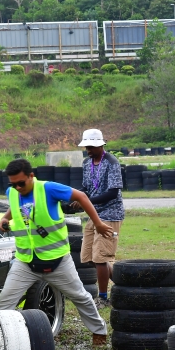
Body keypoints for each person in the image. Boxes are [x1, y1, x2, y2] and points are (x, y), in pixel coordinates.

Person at [0, 158, 113, 346]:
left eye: (21, 183)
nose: (17, 187)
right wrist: (4, 219)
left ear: (31, 176)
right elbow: (15, 207)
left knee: (81, 297)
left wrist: (98, 223)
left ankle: (99, 333)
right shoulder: (12, 192)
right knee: (4, 302)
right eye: (13, 184)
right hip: (25, 262)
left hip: (57, 261)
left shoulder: (48, 189)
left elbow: (81, 196)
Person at [73, 128, 125, 307]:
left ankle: (103, 298)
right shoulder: (87, 163)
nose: (88, 150)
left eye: (91, 146)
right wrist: (77, 200)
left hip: (110, 213)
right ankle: (124, 283)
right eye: (86, 146)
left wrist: (86, 201)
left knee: (100, 258)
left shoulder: (111, 162)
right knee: (88, 257)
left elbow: (113, 192)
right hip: (94, 214)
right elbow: (86, 188)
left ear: (100, 145)